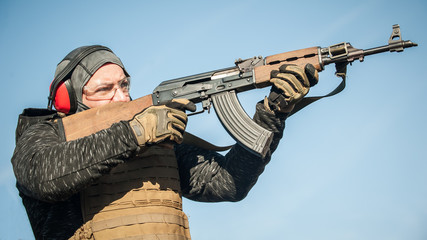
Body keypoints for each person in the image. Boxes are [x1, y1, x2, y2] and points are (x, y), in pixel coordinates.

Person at [11, 45, 318, 239]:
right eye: (105, 90)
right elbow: (42, 177)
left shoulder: (156, 138)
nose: (122, 96)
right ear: (69, 100)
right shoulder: (43, 136)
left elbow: (228, 183)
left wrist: (272, 114)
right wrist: (135, 134)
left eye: (125, 85)